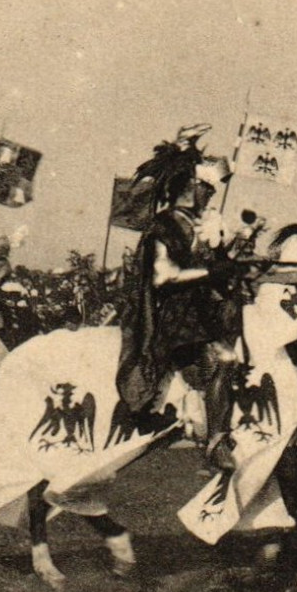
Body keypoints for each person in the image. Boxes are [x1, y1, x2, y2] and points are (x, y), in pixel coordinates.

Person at [114, 125, 244, 472]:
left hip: (203, 313)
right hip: (176, 318)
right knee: (223, 358)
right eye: (208, 190)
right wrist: (212, 273)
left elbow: (212, 267)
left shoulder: (193, 222)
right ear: (194, 187)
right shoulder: (167, 224)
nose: (211, 196)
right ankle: (216, 443)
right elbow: (163, 276)